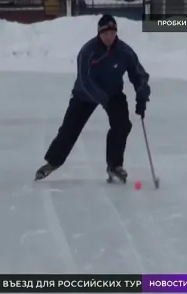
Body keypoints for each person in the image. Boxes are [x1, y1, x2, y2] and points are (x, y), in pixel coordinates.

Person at [35, 14, 150, 182]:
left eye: (112, 33)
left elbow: (139, 75)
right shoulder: (88, 51)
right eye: (105, 34)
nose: (109, 37)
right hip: (85, 94)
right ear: (99, 34)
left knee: (122, 125)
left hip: (113, 93)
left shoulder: (125, 51)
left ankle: (114, 165)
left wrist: (142, 96)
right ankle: (52, 162)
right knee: (70, 128)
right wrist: (104, 99)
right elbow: (85, 80)